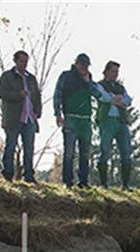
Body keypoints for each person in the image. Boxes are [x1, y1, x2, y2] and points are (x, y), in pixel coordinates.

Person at [53, 53, 99, 188]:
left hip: (85, 119)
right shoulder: (66, 76)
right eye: (83, 65)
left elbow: (95, 93)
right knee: (69, 152)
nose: (85, 68)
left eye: (87, 66)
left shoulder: (88, 78)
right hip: (70, 117)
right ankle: (67, 181)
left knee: (85, 152)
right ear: (77, 64)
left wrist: (88, 82)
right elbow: (57, 94)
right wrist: (58, 113)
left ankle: (83, 181)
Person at [0, 50, 42, 182]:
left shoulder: (31, 78)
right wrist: (18, 95)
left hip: (29, 118)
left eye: (26, 61)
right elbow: (1, 92)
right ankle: (8, 172)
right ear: (15, 61)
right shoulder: (7, 76)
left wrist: (37, 112)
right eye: (21, 61)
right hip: (14, 117)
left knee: (29, 148)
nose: (24, 64)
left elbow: (37, 97)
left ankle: (29, 175)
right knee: (10, 145)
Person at [92, 60, 133, 189]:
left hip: (121, 121)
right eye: (113, 71)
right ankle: (104, 184)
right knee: (105, 151)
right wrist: (114, 99)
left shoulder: (120, 87)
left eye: (117, 72)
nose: (115, 74)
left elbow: (128, 100)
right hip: (107, 121)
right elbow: (103, 97)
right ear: (106, 71)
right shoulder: (100, 84)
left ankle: (125, 185)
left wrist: (114, 99)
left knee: (126, 153)